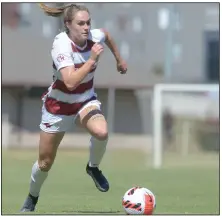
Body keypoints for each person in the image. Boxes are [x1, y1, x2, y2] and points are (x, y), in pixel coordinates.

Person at [21, 3, 127, 212]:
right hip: (58, 107)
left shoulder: (94, 37)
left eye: (88, 22)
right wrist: (92, 60)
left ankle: (93, 167)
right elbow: (70, 82)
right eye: (81, 23)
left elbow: (106, 34)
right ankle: (32, 197)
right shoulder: (61, 45)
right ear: (68, 24)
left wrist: (119, 60)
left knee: (102, 131)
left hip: (85, 102)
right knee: (45, 163)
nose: (86, 27)